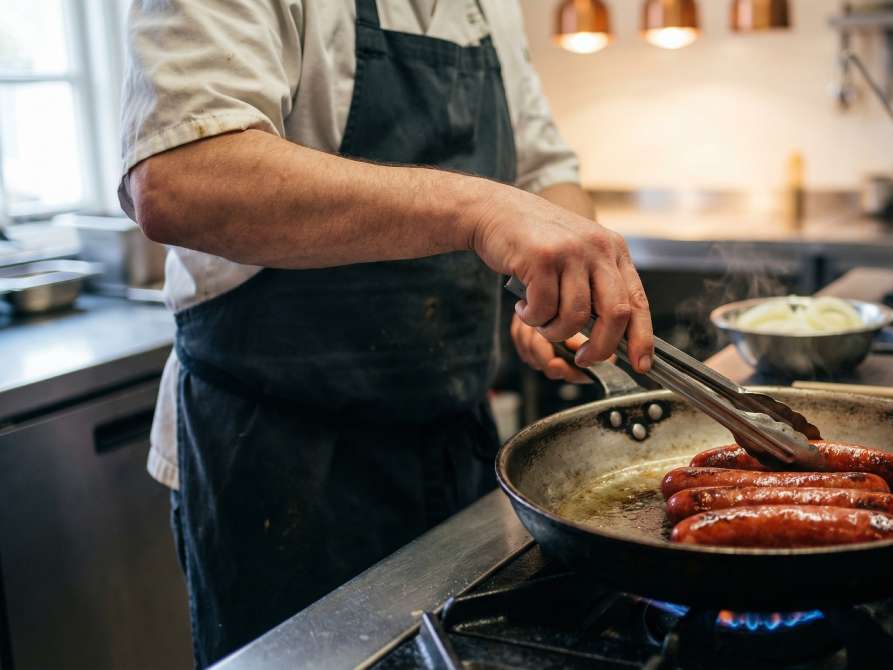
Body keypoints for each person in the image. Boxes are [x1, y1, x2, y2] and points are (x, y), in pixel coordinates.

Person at [119, 1, 652, 665]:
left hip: (457, 448)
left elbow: (545, 173)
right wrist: (480, 207)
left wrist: (567, 281)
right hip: (278, 468)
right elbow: (179, 178)